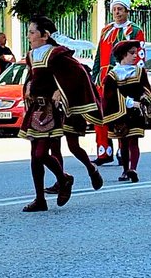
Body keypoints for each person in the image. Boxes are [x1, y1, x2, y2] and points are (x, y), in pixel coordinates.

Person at [18, 16, 99, 212]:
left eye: (32, 32)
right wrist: (28, 86)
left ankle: (65, 178)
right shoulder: (31, 55)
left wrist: (59, 91)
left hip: (52, 110)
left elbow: (78, 74)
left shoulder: (57, 54)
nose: (28, 36)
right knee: (34, 156)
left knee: (40, 154)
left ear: (45, 36)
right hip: (35, 110)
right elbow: (32, 76)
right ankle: (40, 199)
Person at [91, 0, 146, 166]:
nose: (117, 12)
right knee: (102, 115)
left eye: (120, 9)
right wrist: (95, 75)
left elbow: (140, 55)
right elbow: (99, 54)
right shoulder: (106, 29)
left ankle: (125, 153)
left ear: (127, 11)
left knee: (122, 114)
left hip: (125, 79)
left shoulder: (134, 30)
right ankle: (104, 151)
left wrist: (137, 78)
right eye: (114, 9)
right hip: (105, 78)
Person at [99, 39, 151, 182]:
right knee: (123, 141)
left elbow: (146, 88)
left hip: (136, 112)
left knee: (134, 141)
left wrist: (144, 98)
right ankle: (124, 170)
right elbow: (109, 96)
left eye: (136, 53)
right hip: (120, 113)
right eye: (132, 53)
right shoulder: (113, 74)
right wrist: (128, 102)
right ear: (122, 54)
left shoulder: (140, 72)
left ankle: (132, 169)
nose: (136, 56)